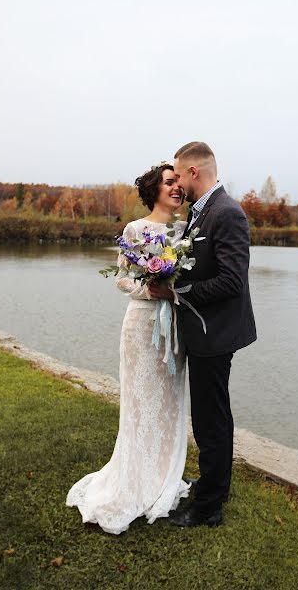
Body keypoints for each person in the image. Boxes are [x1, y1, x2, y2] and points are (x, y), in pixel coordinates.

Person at [66, 163, 190, 534]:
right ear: (154, 190)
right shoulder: (135, 230)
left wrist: (176, 288)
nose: (177, 189)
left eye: (179, 183)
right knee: (140, 404)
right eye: (170, 183)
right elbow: (121, 279)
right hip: (142, 326)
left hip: (175, 332)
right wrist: (150, 288)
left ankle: (163, 474)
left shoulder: (186, 230)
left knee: (168, 405)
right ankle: (134, 480)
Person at [149, 142, 257, 527]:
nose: (176, 182)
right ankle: (214, 485)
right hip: (204, 331)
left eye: (178, 174)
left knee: (211, 419)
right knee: (211, 415)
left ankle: (208, 507)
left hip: (216, 333)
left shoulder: (226, 213)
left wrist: (176, 291)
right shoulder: (201, 212)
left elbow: (231, 281)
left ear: (194, 172)